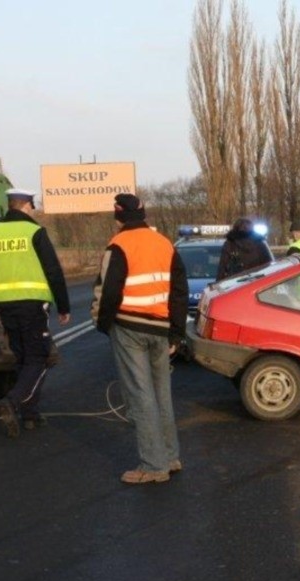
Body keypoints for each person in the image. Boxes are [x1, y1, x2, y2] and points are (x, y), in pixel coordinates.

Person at [90, 193, 188, 484]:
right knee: (161, 395)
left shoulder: (118, 245)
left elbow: (108, 291)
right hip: (160, 328)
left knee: (140, 396)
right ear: (144, 214)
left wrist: (103, 324)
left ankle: (152, 466)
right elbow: (179, 292)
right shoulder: (164, 243)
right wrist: (177, 333)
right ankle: (170, 457)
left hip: (129, 327)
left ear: (118, 215)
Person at [0, 188, 71, 437]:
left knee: (22, 358)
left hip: (4, 307)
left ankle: (29, 414)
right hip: (32, 305)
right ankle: (13, 401)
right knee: (39, 358)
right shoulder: (34, 231)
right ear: (26, 205)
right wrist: (64, 306)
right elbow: (53, 271)